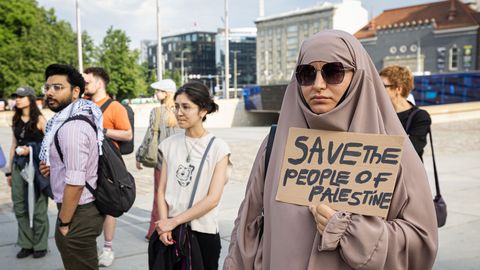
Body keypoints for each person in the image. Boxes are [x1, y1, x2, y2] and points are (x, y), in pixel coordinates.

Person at [224, 30, 438, 269]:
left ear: (357, 76)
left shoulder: (394, 151)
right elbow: (247, 226)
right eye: (306, 73)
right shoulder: (276, 144)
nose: (318, 85)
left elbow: (421, 243)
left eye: (333, 72)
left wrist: (351, 231)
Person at [150, 81, 232, 270]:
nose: (179, 112)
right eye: (176, 106)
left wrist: (173, 221)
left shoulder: (218, 148)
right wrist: (164, 225)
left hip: (203, 232)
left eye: (186, 107)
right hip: (170, 232)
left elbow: (212, 199)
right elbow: (161, 191)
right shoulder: (169, 145)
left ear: (203, 110)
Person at [39, 63, 105, 270]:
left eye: (58, 87)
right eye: (47, 87)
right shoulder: (68, 121)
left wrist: (64, 223)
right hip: (81, 209)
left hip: (78, 212)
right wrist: (55, 168)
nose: (50, 92)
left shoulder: (72, 128)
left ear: (76, 91)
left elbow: (76, 184)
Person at [83, 67, 132, 267]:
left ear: (99, 82)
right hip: (86, 163)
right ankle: (90, 247)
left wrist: (101, 130)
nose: (83, 85)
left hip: (108, 165)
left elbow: (127, 134)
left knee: (110, 206)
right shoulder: (83, 105)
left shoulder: (115, 107)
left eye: (87, 81)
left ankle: (108, 248)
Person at [5, 86, 49, 259]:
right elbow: (13, 145)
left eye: (21, 96)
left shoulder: (40, 119)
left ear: (30, 99)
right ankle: (26, 243)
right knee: (19, 206)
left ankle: (40, 245)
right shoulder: (15, 120)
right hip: (18, 166)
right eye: (16, 96)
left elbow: (48, 146)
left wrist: (30, 150)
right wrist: (9, 170)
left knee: (38, 208)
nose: (17, 99)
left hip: (36, 168)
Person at [136, 79, 177, 241]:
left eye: (158, 91)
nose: (156, 93)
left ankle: (154, 231)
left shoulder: (157, 112)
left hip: (161, 161)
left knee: (158, 196)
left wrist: (139, 156)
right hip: (179, 161)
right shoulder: (181, 110)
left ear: (166, 93)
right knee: (176, 197)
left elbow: (149, 137)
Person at [380, 65, 432, 160]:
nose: (377, 89)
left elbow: (411, 149)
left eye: (382, 86)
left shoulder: (420, 117)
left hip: (408, 173)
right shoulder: (378, 113)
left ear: (398, 89)